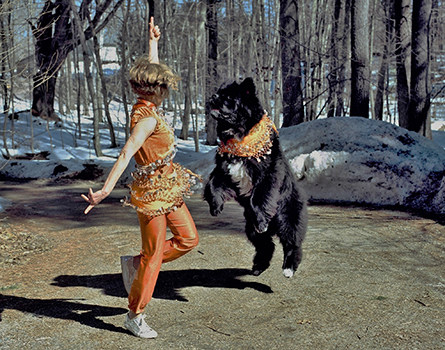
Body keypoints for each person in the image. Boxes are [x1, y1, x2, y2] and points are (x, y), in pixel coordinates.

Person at [81, 17, 200, 339]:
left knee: (188, 240)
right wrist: (105, 191)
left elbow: (152, 71)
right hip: (151, 194)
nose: (167, 88)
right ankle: (135, 314)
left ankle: (135, 263)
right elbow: (125, 154)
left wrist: (153, 44)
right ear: (156, 89)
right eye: (164, 85)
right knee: (153, 258)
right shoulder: (146, 121)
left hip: (169, 185)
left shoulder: (147, 103)